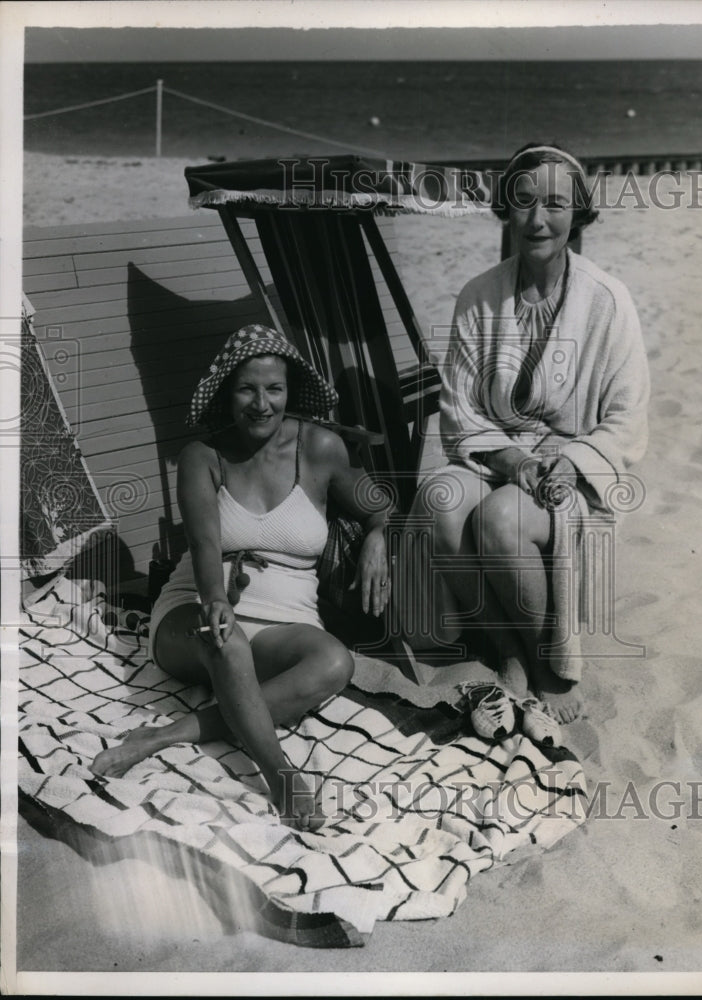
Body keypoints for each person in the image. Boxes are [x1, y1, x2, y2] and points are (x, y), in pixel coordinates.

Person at [92, 325, 392, 830]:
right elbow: (206, 544)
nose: (261, 403)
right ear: (228, 395)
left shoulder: (320, 449)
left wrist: (379, 537)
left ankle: (168, 734)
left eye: (273, 388)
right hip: (195, 609)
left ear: (289, 392)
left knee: (333, 661)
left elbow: (380, 507)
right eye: (246, 389)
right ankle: (282, 780)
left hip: (285, 618)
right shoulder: (202, 457)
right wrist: (214, 601)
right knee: (227, 642)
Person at [397, 143, 649, 724]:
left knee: (500, 520)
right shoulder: (479, 296)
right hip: (495, 458)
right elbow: (458, 412)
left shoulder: (608, 302)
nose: (539, 219)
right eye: (525, 202)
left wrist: (573, 459)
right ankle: (506, 648)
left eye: (556, 204)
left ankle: (547, 664)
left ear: (578, 214)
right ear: (506, 211)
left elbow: (628, 420)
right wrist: (512, 461)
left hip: (571, 472)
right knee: (440, 499)